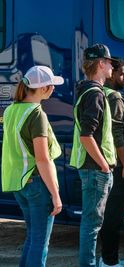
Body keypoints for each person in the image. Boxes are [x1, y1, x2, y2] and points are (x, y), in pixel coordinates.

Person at [1, 65, 64, 266]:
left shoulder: (11, 110)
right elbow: (43, 159)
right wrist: (55, 194)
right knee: (40, 242)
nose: (54, 88)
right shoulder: (37, 114)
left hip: (19, 183)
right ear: (43, 88)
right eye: (51, 85)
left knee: (32, 238)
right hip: (37, 183)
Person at [70, 43, 117, 267]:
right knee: (92, 224)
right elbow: (86, 137)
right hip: (96, 169)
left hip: (90, 168)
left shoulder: (85, 90)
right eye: (109, 62)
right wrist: (104, 165)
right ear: (100, 63)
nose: (112, 66)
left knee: (91, 223)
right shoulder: (95, 94)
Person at [99, 58, 124, 267]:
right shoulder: (115, 97)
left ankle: (105, 258)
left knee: (103, 213)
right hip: (117, 162)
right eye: (121, 73)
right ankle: (110, 261)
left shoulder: (97, 92)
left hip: (103, 159)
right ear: (111, 74)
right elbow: (118, 133)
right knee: (114, 215)